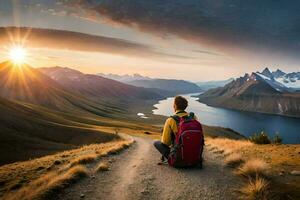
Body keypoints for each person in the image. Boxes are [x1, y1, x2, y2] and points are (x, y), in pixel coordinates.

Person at [154, 95, 201, 165]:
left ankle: (171, 158)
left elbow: (166, 142)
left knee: (156, 143)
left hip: (178, 159)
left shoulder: (171, 120)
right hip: (195, 158)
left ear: (175, 106)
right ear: (186, 106)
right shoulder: (193, 117)